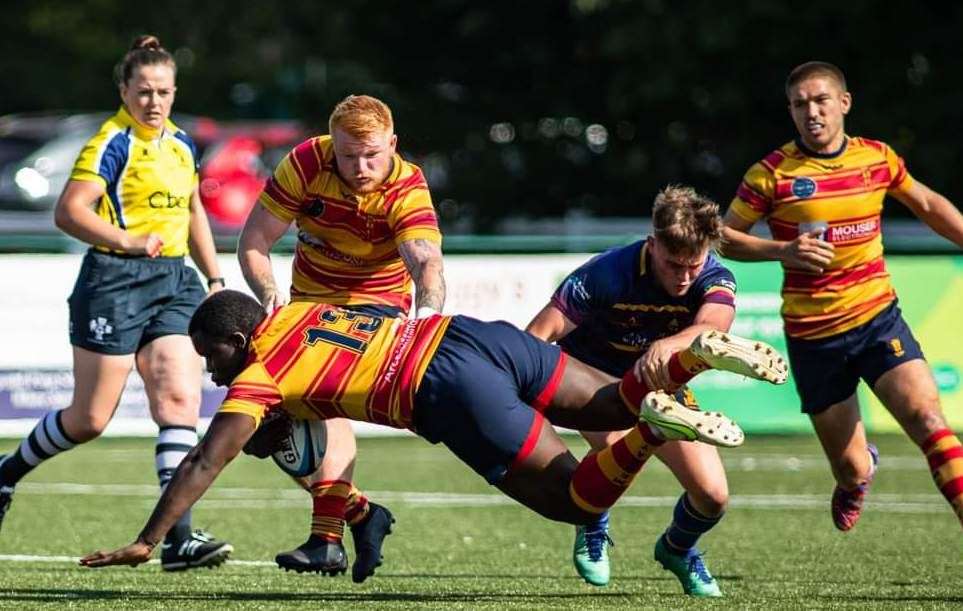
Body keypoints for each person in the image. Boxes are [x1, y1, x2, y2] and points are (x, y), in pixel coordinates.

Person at [80, 289, 788, 571]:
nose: (212, 373)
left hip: (442, 387)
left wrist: (149, 537)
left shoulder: (261, 373)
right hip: (471, 335)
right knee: (607, 402)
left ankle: (656, 429)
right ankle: (692, 355)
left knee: (574, 500)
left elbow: (206, 457)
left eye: (212, 357)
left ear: (236, 340)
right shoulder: (299, 309)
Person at [0, 35, 233, 570]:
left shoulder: (180, 142)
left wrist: (214, 276)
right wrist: (128, 240)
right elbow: (69, 211)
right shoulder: (112, 141)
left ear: (175, 93)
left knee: (178, 400)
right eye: (144, 91)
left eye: (164, 92)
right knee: (89, 419)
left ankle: (178, 540)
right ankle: (6, 474)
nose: (155, 101)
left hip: (175, 280)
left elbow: (194, 209)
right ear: (125, 90)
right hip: (115, 280)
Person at [722, 61, 963, 532]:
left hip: (878, 319)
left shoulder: (876, 158)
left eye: (820, 100)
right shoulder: (770, 174)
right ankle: (857, 477)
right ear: (790, 111)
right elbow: (725, 238)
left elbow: (929, 205)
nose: (811, 112)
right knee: (850, 467)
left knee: (931, 423)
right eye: (799, 104)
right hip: (815, 338)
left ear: (844, 103)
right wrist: (782, 250)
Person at [236, 93, 446, 581]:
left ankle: (326, 541)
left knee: (325, 399)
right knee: (270, 424)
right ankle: (359, 515)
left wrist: (428, 314)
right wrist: (269, 296)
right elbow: (254, 241)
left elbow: (424, 260)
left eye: (372, 154)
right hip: (307, 299)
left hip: (377, 303)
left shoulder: (407, 185)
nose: (360, 166)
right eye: (348, 156)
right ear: (333, 146)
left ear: (393, 143)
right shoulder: (307, 161)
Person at [528, 185, 759, 597]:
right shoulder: (605, 274)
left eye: (694, 265)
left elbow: (714, 326)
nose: (685, 277)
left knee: (713, 496)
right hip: (590, 380)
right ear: (652, 246)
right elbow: (538, 335)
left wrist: (668, 345)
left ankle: (678, 549)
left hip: (659, 384)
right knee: (618, 452)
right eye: (674, 266)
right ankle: (591, 518)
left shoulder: (714, 276)